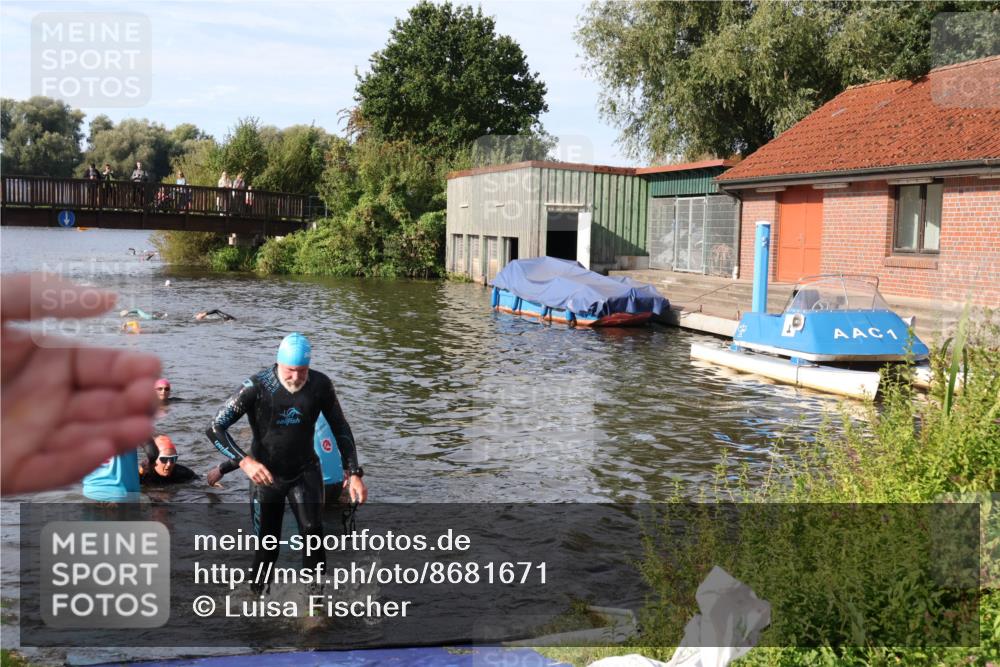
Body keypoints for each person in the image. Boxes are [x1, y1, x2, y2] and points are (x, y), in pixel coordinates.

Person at [205, 333, 367, 593]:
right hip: (266, 478)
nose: (296, 377)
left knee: (314, 534)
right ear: (278, 363)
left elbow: (341, 427)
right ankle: (257, 600)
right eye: (290, 371)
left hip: (305, 471)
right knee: (268, 548)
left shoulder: (320, 385)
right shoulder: (255, 387)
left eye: (302, 371)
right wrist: (244, 462)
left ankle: (314, 605)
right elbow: (215, 428)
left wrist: (355, 473)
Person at [1, 273, 161, 495]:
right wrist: (149, 465)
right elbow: (153, 451)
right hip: (124, 494)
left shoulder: (79, 418)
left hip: (92, 493)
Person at [207, 412, 347, 505]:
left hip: (313, 490)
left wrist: (221, 469)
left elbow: (257, 452)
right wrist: (349, 471)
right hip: (337, 484)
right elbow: (343, 440)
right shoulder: (322, 408)